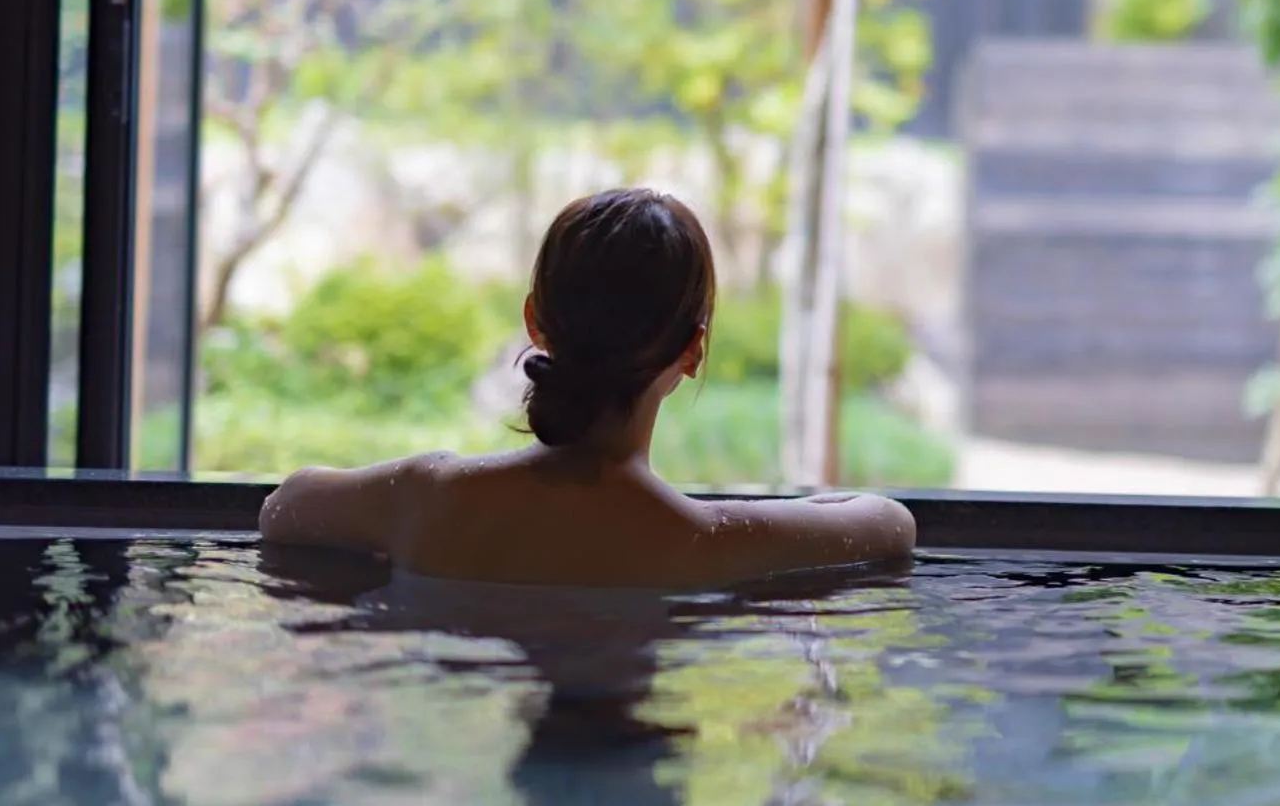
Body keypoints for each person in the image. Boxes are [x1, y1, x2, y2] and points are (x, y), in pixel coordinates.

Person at [259, 187, 917, 587]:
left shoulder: (426, 500)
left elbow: (283, 507)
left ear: (534, 322)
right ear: (692, 350)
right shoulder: (706, 542)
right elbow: (891, 522)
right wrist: (772, 518)